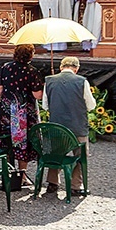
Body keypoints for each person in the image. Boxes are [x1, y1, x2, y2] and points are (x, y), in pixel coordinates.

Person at [42, 57, 95, 196]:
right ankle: (75, 186)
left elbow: (45, 106)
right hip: (77, 126)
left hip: (56, 127)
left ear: (61, 67)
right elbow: (91, 106)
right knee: (81, 155)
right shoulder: (82, 81)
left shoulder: (49, 80)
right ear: (76, 68)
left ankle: (52, 183)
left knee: (56, 153)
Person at [0, 44, 43, 182]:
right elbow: (37, 95)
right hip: (24, 112)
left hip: (6, 109)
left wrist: (0, 105)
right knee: (23, 142)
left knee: (7, 140)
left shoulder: (5, 67)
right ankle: (22, 174)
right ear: (31, 55)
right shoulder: (33, 71)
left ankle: (10, 171)